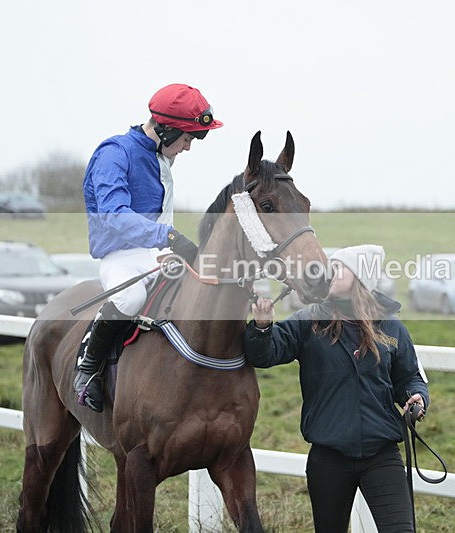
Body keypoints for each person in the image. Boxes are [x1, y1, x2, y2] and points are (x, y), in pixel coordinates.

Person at [245, 244, 429, 532]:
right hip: (328, 459)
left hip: (382, 454)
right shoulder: (309, 321)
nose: (329, 273)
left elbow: (409, 377)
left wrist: (415, 397)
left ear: (360, 278)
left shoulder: (392, 328)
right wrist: (262, 327)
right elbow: (263, 355)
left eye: (338, 268)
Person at [74, 83, 223, 412]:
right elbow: (114, 215)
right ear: (167, 129)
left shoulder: (160, 156)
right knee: (131, 298)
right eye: (187, 139)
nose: (188, 148)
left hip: (157, 252)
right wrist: (168, 237)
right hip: (121, 255)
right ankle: (88, 366)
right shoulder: (114, 153)